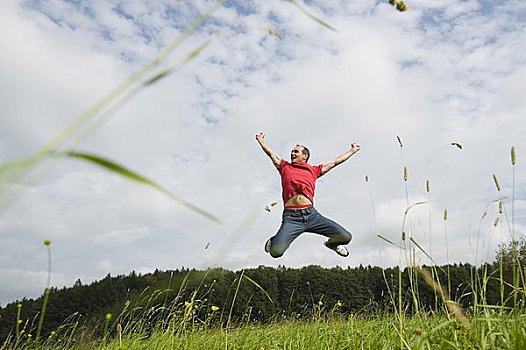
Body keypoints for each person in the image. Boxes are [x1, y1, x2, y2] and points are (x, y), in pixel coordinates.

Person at [255, 132, 361, 258]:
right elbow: (271, 154)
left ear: (304, 156)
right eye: (292, 152)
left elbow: (335, 162)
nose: (292, 154)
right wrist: (260, 140)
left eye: (296, 152)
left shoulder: (313, 170)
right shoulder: (285, 167)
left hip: (312, 216)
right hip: (292, 218)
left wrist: (352, 150)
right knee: (276, 252)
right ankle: (274, 241)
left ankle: (332, 245)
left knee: (345, 237)